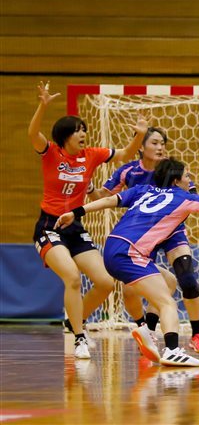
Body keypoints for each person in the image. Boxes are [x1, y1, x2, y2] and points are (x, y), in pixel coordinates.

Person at [55, 158, 199, 366]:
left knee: (170, 281)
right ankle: (172, 350)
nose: (189, 180)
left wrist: (76, 212)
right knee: (167, 303)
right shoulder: (184, 198)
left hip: (112, 246)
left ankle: (147, 330)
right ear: (175, 180)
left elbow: (107, 200)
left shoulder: (142, 190)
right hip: (130, 253)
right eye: (186, 176)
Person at [29, 80, 148, 359]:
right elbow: (33, 133)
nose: (83, 133)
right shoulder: (51, 153)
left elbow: (125, 155)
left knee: (105, 282)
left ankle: (74, 320)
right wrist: (43, 106)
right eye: (77, 130)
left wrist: (139, 135)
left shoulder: (91, 155)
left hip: (74, 226)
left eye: (84, 129)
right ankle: (79, 337)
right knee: (72, 277)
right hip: (49, 226)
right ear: (65, 136)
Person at [94, 127, 199, 353]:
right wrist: (87, 188)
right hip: (142, 234)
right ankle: (146, 330)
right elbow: (103, 197)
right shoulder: (128, 172)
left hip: (172, 230)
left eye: (163, 143)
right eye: (155, 143)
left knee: (187, 278)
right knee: (131, 291)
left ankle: (196, 334)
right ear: (141, 146)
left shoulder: (173, 169)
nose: (160, 148)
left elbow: (192, 198)